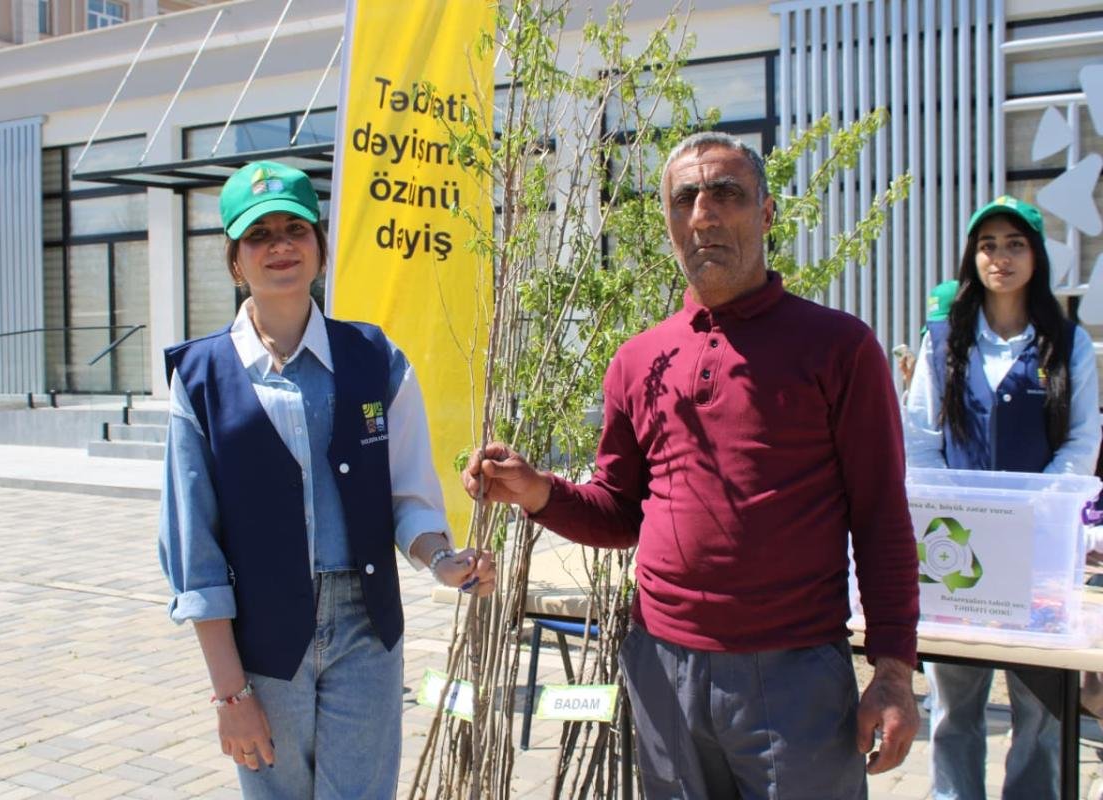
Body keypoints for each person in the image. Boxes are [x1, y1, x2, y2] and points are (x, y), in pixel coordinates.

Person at [462, 132, 920, 799]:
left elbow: (882, 519)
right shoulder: (638, 360)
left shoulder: (838, 347)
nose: (704, 215)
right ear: (669, 223)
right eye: (685, 199)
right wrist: (536, 491)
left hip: (795, 675)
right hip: (662, 667)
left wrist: (894, 671)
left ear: (766, 213)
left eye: (726, 193)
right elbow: (621, 513)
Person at [157, 161, 495, 799]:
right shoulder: (199, 378)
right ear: (235, 261)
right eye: (259, 235)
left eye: (295, 229)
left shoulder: (375, 358)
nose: (280, 246)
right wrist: (230, 694)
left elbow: (407, 496)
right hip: (263, 640)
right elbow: (193, 550)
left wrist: (441, 559)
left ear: (319, 245)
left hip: (366, 630)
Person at [904, 195, 1101, 799]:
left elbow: (1082, 439)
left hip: (1039, 552)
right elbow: (921, 441)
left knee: (1039, 710)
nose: (1000, 257)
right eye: (987, 245)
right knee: (954, 706)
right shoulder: (944, 341)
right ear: (973, 258)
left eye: (1015, 244)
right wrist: (963, 513)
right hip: (956, 551)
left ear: (1036, 256)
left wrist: (1034, 508)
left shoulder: (1067, 342)